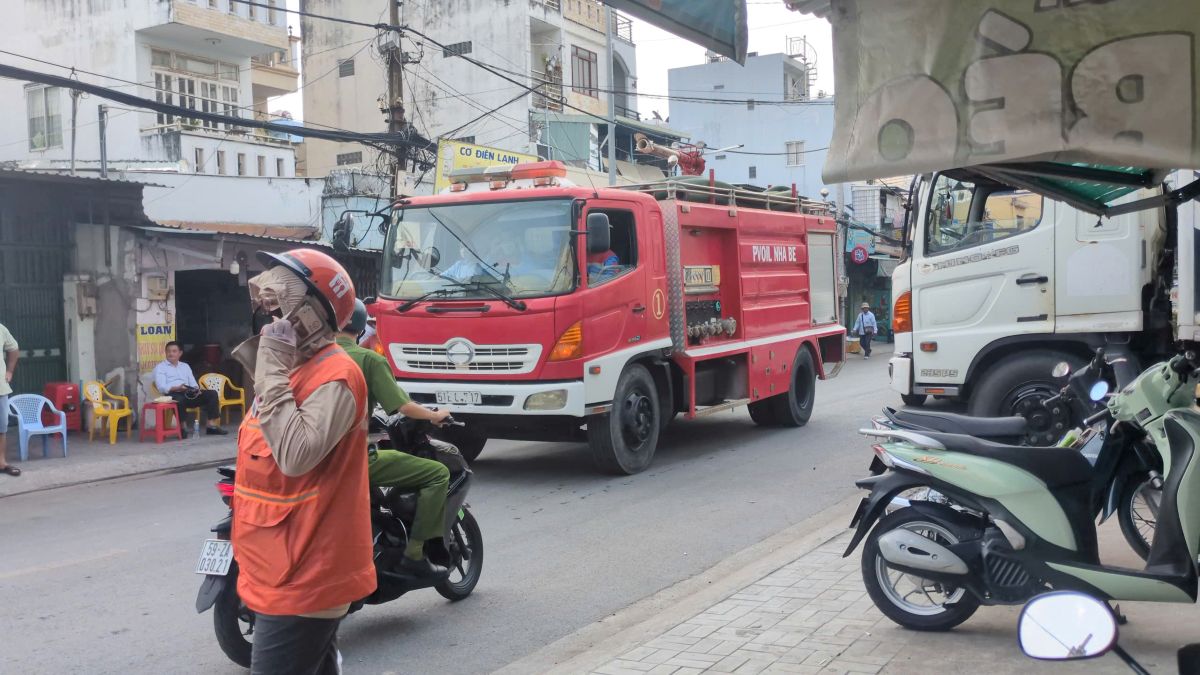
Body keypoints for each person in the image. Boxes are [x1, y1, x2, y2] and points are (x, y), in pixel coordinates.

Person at [229, 248, 376, 675]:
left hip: (307, 575)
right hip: (277, 565)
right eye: (266, 308)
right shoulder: (292, 369)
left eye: (279, 306)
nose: (269, 317)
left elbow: (295, 456)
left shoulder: (336, 375)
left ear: (312, 313)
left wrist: (270, 367)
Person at [336, 300, 452, 578]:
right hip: (354, 460)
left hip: (311, 460)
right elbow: (403, 407)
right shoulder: (368, 360)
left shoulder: (312, 358)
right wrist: (434, 415)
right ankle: (414, 554)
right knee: (438, 473)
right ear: (363, 328)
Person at [152, 342, 227, 437]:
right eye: (169, 351)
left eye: (174, 351)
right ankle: (183, 428)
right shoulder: (161, 368)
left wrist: (196, 389)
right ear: (166, 353)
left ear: (180, 353)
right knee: (179, 399)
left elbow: (193, 383)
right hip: (172, 394)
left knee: (211, 394)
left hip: (188, 392)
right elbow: (161, 387)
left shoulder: (185, 366)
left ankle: (211, 426)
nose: (171, 354)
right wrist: (177, 388)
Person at [0, 323, 19, 477]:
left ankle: (1, 462)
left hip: (0, 389)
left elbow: (13, 348)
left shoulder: (0, 329)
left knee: (1, 428)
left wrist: (9, 371)